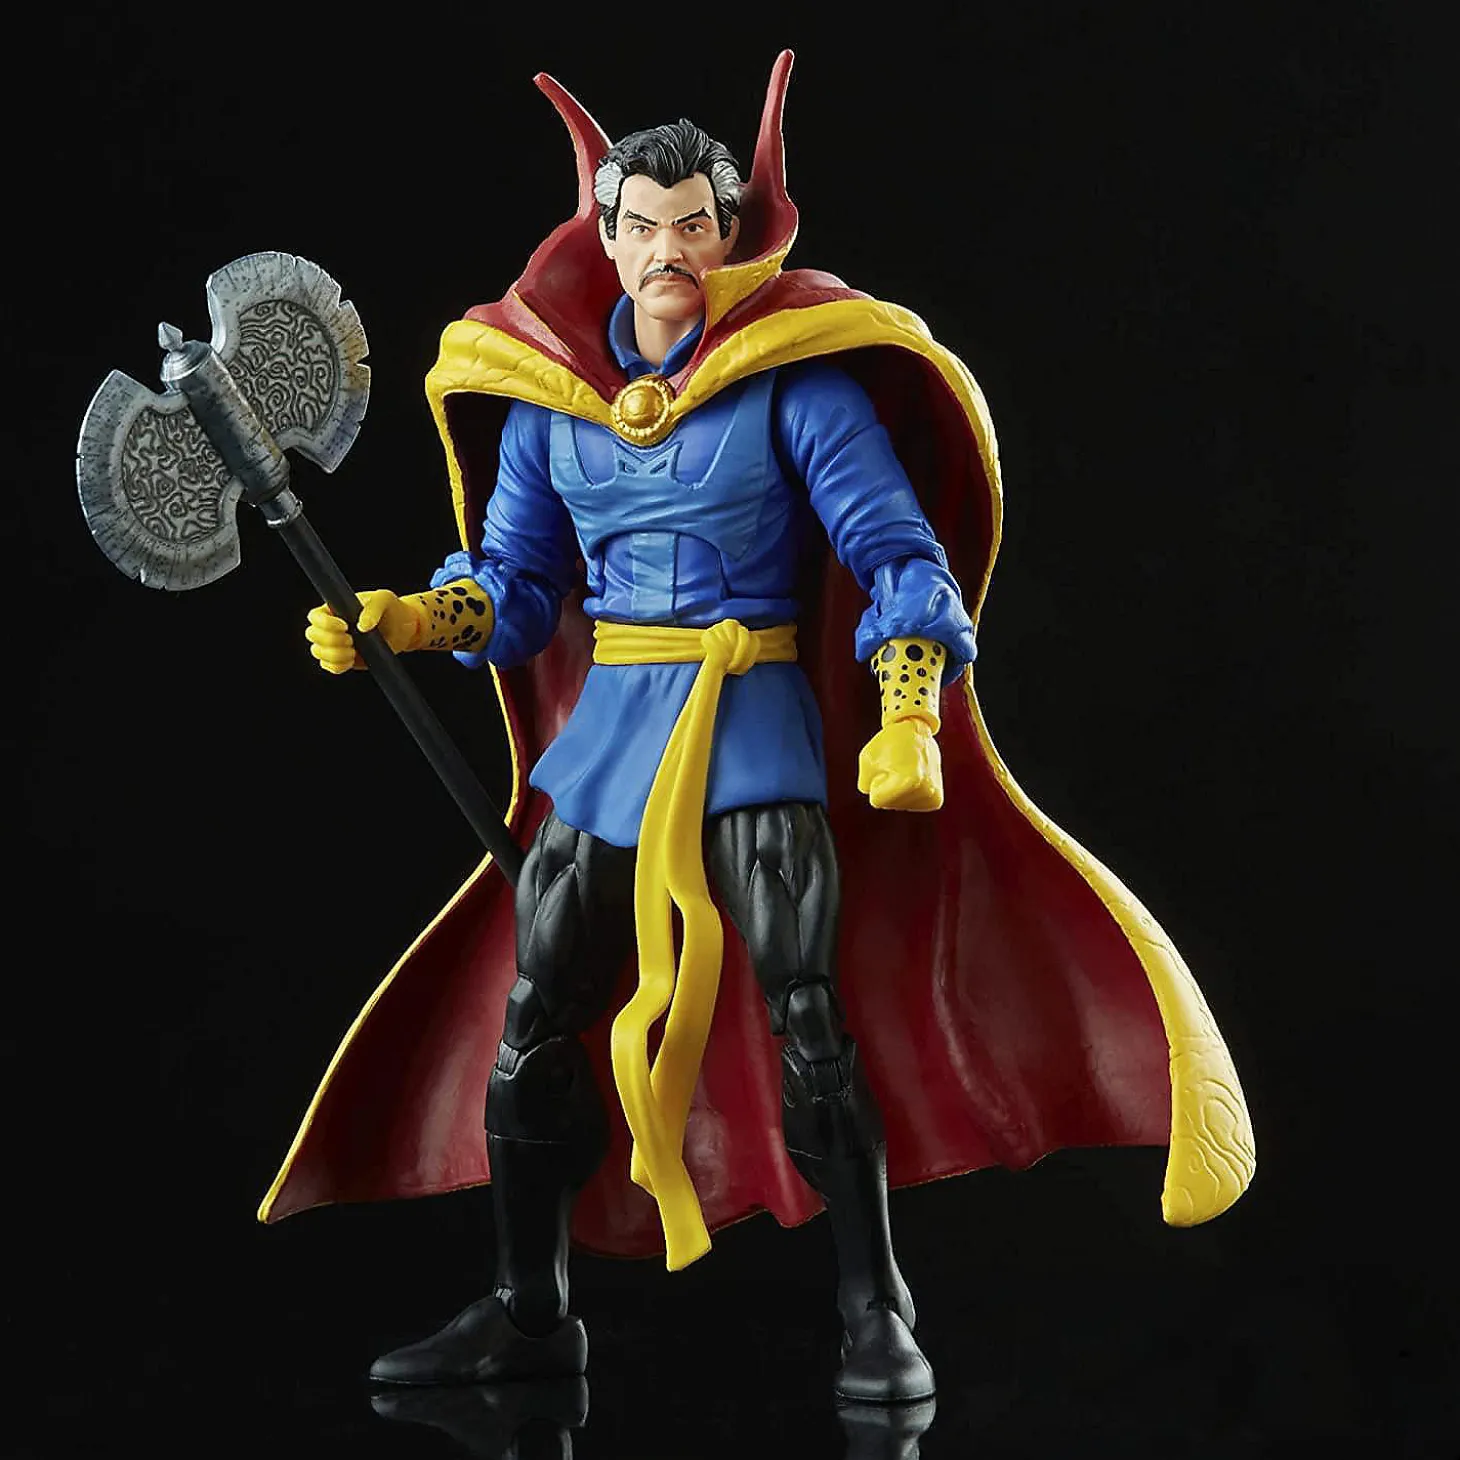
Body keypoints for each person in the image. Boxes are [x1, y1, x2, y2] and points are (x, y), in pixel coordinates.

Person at [259, 52, 1254, 1404]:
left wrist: (907, 708)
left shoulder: (798, 388)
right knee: (536, 1014)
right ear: (604, 239)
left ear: (732, 234)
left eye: (692, 225)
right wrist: (406, 620)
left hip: (754, 723)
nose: (667, 251)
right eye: (642, 226)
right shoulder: (555, 417)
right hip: (612, 737)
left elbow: (900, 558)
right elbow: (515, 589)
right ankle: (529, 1310)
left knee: (809, 1013)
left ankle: (877, 1312)